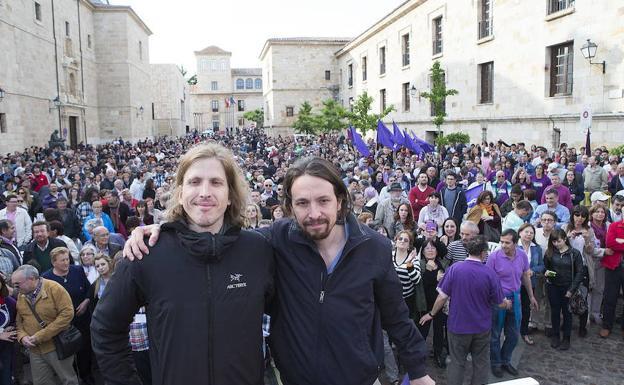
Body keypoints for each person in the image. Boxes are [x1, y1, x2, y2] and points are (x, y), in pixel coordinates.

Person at [123, 155, 435, 385]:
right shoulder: (273, 242)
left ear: (340, 201)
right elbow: (217, 238)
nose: (314, 213)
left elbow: (396, 317)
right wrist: (164, 229)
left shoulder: (374, 248)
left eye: (323, 201)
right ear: (288, 206)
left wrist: (419, 373)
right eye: (302, 203)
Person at [91, 143, 276, 384]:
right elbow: (105, 327)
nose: (205, 192)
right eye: (194, 182)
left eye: (216, 183)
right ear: (180, 192)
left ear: (230, 195)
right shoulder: (147, 252)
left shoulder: (258, 250)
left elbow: (289, 318)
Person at [419, 236, 507, 385]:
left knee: (457, 363)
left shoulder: (455, 269)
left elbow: (442, 297)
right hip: (481, 328)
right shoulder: (490, 273)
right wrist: (507, 303)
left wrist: (431, 314)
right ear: (483, 252)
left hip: (458, 326)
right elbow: (500, 303)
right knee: (481, 363)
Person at [12, 265, 79, 385]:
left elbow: (67, 315)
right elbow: (19, 321)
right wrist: (22, 337)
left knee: (68, 380)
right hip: (35, 351)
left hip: (57, 346)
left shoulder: (54, 288)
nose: (15, 288)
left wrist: (40, 336)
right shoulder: (21, 295)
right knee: (41, 382)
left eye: (17, 284)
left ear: (32, 279)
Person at [486, 229, 539, 378]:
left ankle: (505, 360)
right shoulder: (494, 257)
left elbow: (525, 276)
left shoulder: (521, 255)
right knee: (495, 334)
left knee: (514, 334)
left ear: (515, 243)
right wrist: (498, 299)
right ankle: (496, 363)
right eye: (501, 242)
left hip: (515, 297)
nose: (503, 245)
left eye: (507, 242)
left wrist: (531, 296)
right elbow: (488, 281)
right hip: (498, 298)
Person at [41, 247, 93, 384]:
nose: (66, 263)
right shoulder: (46, 278)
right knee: (68, 352)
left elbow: (89, 289)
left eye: (67, 259)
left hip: (82, 319)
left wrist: (86, 302)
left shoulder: (77, 270)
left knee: (85, 348)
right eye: (62, 260)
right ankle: (73, 377)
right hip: (63, 324)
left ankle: (86, 375)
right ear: (53, 262)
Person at [543, 229, 584, 350]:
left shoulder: (574, 253)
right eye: (554, 241)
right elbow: (545, 268)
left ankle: (566, 338)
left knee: (567, 313)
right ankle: (555, 335)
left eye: (558, 241)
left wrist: (571, 289)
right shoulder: (550, 252)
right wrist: (547, 273)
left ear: (565, 239)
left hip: (568, 287)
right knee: (555, 312)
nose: (556, 244)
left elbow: (579, 273)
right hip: (553, 286)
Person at [414, 239, 447, 368]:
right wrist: (432, 275)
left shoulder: (443, 263)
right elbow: (420, 284)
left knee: (439, 331)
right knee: (422, 331)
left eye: (433, 248)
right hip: (424, 305)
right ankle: (418, 356)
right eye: (427, 248)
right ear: (423, 251)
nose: (430, 250)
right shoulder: (420, 264)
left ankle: (438, 353)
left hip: (440, 304)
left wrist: (435, 238)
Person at [517, 223, 545, 345]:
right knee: (513, 308)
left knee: (526, 308)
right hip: (515, 282)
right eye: (526, 232)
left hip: (529, 282)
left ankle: (524, 332)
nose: (529, 234)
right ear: (520, 233)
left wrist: (533, 271)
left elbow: (542, 265)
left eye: (531, 233)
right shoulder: (514, 246)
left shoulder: (536, 248)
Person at [600, 209, 624, 338]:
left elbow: (617, 244)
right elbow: (610, 243)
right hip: (614, 266)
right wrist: (618, 242)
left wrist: (620, 241)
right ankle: (606, 325)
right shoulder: (615, 225)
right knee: (610, 297)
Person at [589, 204, 612, 324]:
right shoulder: (588, 227)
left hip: (603, 261)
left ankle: (596, 312)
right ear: (591, 214)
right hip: (590, 260)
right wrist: (604, 251)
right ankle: (586, 314)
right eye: (597, 211)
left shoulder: (608, 226)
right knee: (589, 287)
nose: (600, 214)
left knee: (600, 288)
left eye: (602, 212)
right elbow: (589, 248)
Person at [392, 230, 421, 318]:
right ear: (396, 241)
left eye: (406, 240)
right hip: (389, 298)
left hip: (405, 301)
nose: (402, 241)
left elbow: (417, 280)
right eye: (400, 239)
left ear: (409, 245)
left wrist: (409, 263)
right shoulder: (388, 255)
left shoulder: (413, 259)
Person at [0, 273, 17, 385]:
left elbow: (20, 316)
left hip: (5, 348)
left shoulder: (8, 301)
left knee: (5, 379)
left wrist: (13, 326)